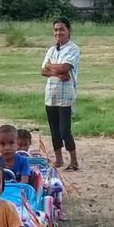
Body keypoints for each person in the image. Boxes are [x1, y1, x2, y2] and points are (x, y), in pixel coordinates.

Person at [41, 17, 80, 170]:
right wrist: (57, 73)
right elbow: (43, 70)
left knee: (65, 130)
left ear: (69, 31)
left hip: (66, 95)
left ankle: (74, 160)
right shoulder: (51, 50)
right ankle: (58, 159)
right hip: (51, 94)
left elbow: (65, 67)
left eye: (61, 29)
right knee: (54, 129)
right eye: (56, 29)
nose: (58, 32)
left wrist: (51, 66)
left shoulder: (73, 49)